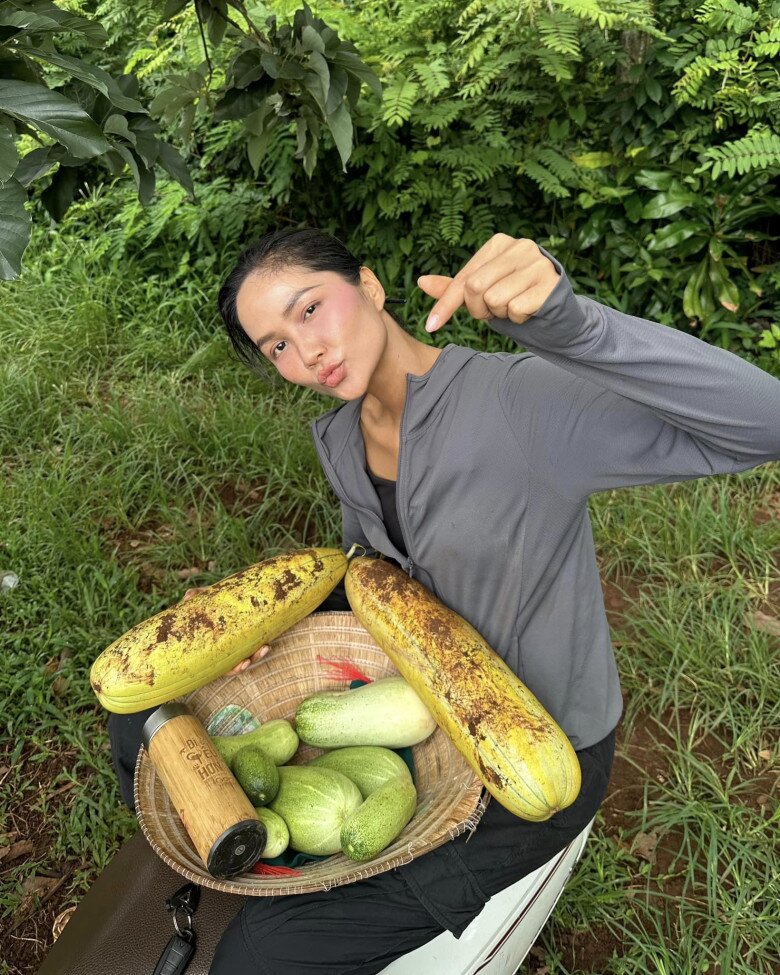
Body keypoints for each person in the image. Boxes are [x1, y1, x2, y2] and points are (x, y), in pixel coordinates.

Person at [108, 228, 780, 974]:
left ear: (368, 286)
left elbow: (763, 422)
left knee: (264, 956)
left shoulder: (516, 404)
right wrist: (262, 622)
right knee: (139, 720)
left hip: (531, 754)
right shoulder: (342, 435)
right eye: (275, 346)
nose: (307, 352)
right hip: (419, 697)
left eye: (309, 310)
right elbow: (379, 569)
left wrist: (574, 326)